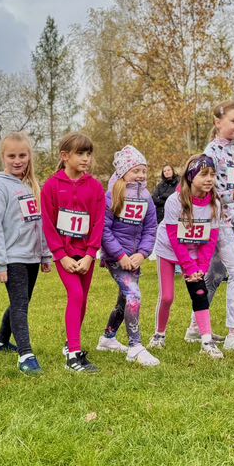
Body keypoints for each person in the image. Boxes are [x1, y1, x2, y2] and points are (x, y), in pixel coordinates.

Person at [0, 132, 52, 375]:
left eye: (22, 155)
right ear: (3, 157)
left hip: (32, 256)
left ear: (29, 156)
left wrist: (45, 254)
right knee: (20, 305)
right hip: (13, 257)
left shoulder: (31, 185)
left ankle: (1, 341)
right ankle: (26, 355)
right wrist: (0, 263)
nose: (17, 160)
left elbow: (40, 222)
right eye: (11, 156)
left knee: (21, 302)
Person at [41, 131, 107, 373]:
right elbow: (48, 224)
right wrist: (61, 255)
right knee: (76, 295)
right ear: (65, 156)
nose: (86, 158)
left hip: (86, 255)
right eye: (80, 153)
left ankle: (71, 343)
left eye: (88, 153)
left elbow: (98, 222)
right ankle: (73, 356)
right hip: (65, 255)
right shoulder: (51, 186)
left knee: (83, 299)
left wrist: (90, 254)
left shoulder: (95, 187)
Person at [196, 102, 234, 354]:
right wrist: (233, 195)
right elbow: (204, 190)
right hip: (217, 221)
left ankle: (195, 328)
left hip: (232, 222)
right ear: (217, 122)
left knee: (214, 276)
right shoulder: (211, 152)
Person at [149, 153, 223, 358]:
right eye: (204, 174)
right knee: (167, 297)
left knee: (199, 292)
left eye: (212, 174)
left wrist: (201, 268)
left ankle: (206, 341)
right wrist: (189, 267)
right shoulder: (175, 201)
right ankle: (159, 335)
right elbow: (174, 238)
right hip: (169, 250)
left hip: (194, 251)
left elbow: (211, 239)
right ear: (191, 176)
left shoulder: (215, 204)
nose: (209, 179)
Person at [97, 145, 159, 366]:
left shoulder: (147, 197)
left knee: (124, 299)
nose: (141, 175)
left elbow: (151, 228)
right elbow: (104, 229)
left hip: (135, 258)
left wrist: (142, 253)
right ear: (123, 172)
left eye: (144, 170)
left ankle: (108, 338)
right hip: (116, 258)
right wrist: (120, 255)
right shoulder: (112, 195)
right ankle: (135, 346)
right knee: (133, 295)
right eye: (135, 170)